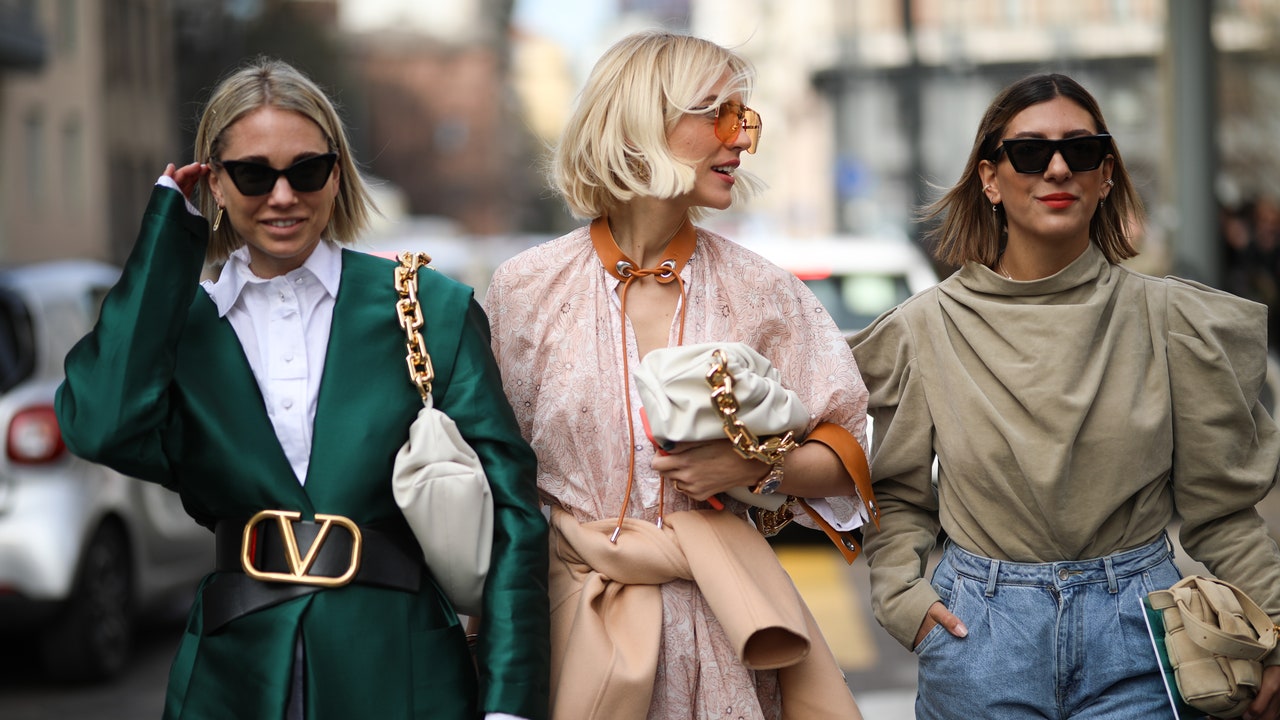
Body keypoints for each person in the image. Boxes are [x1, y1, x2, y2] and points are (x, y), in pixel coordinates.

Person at [54, 57, 549, 720]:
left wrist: (509, 703)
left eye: (306, 170)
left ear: (336, 173)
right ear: (217, 185)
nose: (283, 196)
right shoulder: (179, 328)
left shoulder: (428, 306)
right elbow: (98, 426)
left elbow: (515, 514)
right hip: (233, 678)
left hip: (401, 672)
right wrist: (164, 239)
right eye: (254, 174)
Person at [850, 72, 1280, 720]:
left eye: (1081, 151)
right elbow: (901, 494)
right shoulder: (926, 329)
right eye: (1030, 152)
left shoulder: (1170, 322)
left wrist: (1273, 632)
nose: (1057, 168)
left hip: (1142, 634)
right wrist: (904, 604)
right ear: (990, 179)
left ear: (1105, 176)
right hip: (978, 635)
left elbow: (1221, 510)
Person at [485, 30, 870, 720]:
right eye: (719, 115)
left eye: (744, 118)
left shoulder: (764, 291)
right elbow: (490, 480)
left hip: (728, 634)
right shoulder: (524, 290)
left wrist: (752, 468)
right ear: (643, 121)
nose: (742, 139)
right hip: (573, 621)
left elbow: (849, 453)